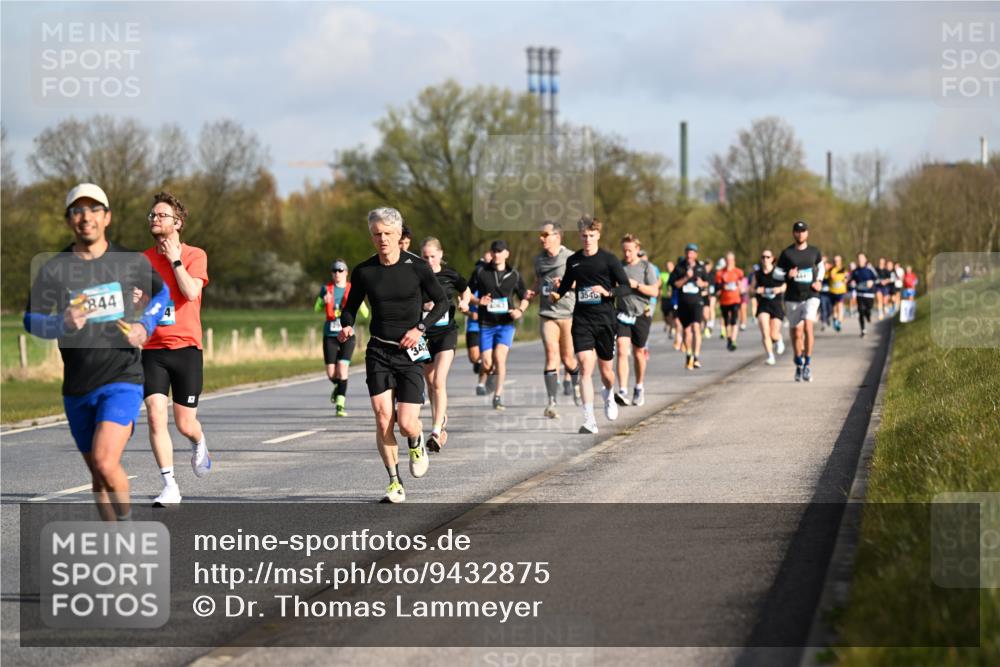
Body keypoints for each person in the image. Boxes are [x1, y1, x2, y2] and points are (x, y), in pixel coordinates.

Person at [24, 183, 170, 521]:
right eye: (77, 210)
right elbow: (31, 319)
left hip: (122, 376)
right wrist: (60, 322)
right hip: (77, 384)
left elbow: (162, 294)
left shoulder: (129, 261)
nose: (86, 217)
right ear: (69, 219)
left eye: (93, 209)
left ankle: (127, 531)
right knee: (99, 476)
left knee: (105, 461)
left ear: (107, 217)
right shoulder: (55, 268)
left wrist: (145, 325)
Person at [337, 207, 448, 504]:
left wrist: (420, 328)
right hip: (378, 350)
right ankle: (394, 482)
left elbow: (441, 302)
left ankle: (416, 441)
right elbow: (350, 307)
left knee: (407, 422)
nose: (382, 239)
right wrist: (346, 325)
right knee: (383, 416)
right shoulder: (364, 271)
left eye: (387, 233)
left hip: (410, 352)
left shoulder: (417, 267)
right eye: (377, 234)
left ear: (399, 234)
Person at [139, 192, 212, 507]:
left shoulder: (196, 255)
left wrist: (174, 259)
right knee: (156, 416)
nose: (155, 219)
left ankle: (198, 441)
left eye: (161, 215)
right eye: (152, 215)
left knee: (184, 424)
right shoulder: (142, 260)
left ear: (177, 223)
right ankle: (170, 485)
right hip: (153, 349)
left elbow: (191, 291)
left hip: (186, 349)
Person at [552, 216, 633, 434]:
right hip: (582, 320)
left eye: (591, 235)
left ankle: (609, 394)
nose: (587, 239)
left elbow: (626, 287)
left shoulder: (609, 259)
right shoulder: (574, 260)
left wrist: (608, 292)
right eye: (584, 236)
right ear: (580, 236)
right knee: (585, 366)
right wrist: (556, 294)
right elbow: (566, 285)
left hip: (605, 320)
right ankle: (589, 420)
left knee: (607, 372)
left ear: (598, 235)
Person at [523, 221, 580, 419]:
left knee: (568, 359)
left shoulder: (571, 257)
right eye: (540, 235)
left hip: (568, 314)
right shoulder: (539, 260)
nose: (541, 238)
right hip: (547, 313)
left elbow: (583, 281)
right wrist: (532, 292)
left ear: (557, 236)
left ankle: (577, 385)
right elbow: (539, 281)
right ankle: (552, 403)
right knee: (551, 355)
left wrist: (566, 284)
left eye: (545, 235)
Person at [419, 237, 469, 451]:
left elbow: (465, 289)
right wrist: (423, 306)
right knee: (430, 383)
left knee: (439, 381)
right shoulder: (416, 276)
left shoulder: (450, 275)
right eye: (425, 257)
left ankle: (436, 431)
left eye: (432, 256)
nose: (429, 260)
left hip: (446, 333)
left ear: (440, 254)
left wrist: (465, 302)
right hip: (423, 335)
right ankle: (440, 417)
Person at [467, 240, 528, 411]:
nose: (496, 254)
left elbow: (524, 296)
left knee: (500, 358)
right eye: (494, 251)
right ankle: (487, 375)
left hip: (505, 324)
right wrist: (478, 301)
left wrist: (520, 310)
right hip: (486, 324)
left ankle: (498, 396)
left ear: (507, 254)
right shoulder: (481, 272)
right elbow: (467, 293)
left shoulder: (514, 275)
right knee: (487, 363)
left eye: (500, 251)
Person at [315, 259, 368, 417]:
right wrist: (323, 302)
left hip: (347, 335)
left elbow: (366, 314)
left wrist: (359, 304)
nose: (337, 273)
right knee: (331, 373)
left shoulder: (353, 289)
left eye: (340, 270)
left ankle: (340, 405)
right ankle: (338, 387)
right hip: (330, 335)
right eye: (334, 270)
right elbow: (316, 308)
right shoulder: (326, 289)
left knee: (342, 368)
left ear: (346, 272)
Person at [775, 220, 823, 382]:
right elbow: (776, 274)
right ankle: (798, 363)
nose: (800, 234)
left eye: (803, 231)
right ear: (793, 233)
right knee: (796, 333)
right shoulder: (787, 253)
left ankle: (807, 364)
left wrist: (819, 281)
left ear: (807, 233)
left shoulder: (814, 252)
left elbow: (821, 267)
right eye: (797, 231)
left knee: (808, 327)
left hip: (811, 295)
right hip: (792, 298)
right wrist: (787, 275)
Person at [614, 235, 659, 406]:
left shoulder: (646, 267)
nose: (626, 254)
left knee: (638, 352)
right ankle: (622, 390)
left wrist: (637, 285)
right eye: (624, 250)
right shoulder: (618, 266)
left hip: (641, 314)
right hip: (622, 314)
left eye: (630, 250)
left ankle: (639, 387)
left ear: (637, 250)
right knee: (621, 349)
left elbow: (654, 291)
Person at [669, 243, 710, 370]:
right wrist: (686, 277)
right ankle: (689, 354)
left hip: (697, 302)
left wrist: (702, 283)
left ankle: (696, 357)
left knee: (696, 328)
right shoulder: (679, 267)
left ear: (696, 254)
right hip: (683, 303)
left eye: (692, 252)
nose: (689, 255)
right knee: (686, 331)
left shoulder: (701, 267)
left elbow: (707, 283)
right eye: (687, 252)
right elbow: (674, 284)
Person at [750, 249, 787, 365]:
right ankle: (770, 356)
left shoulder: (778, 272)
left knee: (773, 334)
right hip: (763, 305)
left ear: (772, 259)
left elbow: (786, 285)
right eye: (763, 257)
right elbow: (751, 289)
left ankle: (779, 339)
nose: (765, 259)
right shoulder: (757, 274)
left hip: (776, 304)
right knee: (765, 332)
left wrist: (779, 289)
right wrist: (757, 290)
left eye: (768, 257)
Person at [468, 247, 492, 394]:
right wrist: (471, 314)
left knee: (486, 357)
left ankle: (482, 384)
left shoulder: (495, 284)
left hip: (489, 325)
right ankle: (485, 369)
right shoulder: (474, 282)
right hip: (473, 325)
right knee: (474, 358)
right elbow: (463, 301)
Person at [714, 252, 745, 351]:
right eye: (727, 260)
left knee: (734, 320)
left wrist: (740, 287)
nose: (729, 262)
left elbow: (742, 286)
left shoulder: (738, 272)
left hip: (735, 299)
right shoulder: (720, 273)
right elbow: (717, 288)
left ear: (734, 261)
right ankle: (729, 338)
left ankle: (733, 340)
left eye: (731, 260)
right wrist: (721, 287)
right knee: (726, 321)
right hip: (724, 300)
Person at [849, 253, 879, 337]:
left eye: (862, 258)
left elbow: (877, 279)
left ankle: (868, 315)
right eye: (859, 258)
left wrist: (872, 282)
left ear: (865, 260)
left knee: (868, 310)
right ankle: (863, 330)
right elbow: (849, 281)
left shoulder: (870, 270)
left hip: (869, 294)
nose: (860, 260)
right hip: (860, 294)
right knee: (861, 311)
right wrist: (851, 283)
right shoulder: (855, 271)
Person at [828, 255, 848, 332]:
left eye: (838, 260)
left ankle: (839, 322)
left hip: (841, 291)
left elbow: (847, 277)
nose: (836, 262)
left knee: (840, 306)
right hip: (832, 291)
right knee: (834, 308)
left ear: (840, 261)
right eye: (835, 260)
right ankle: (835, 319)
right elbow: (828, 277)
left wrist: (846, 280)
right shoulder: (831, 269)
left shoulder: (843, 269)